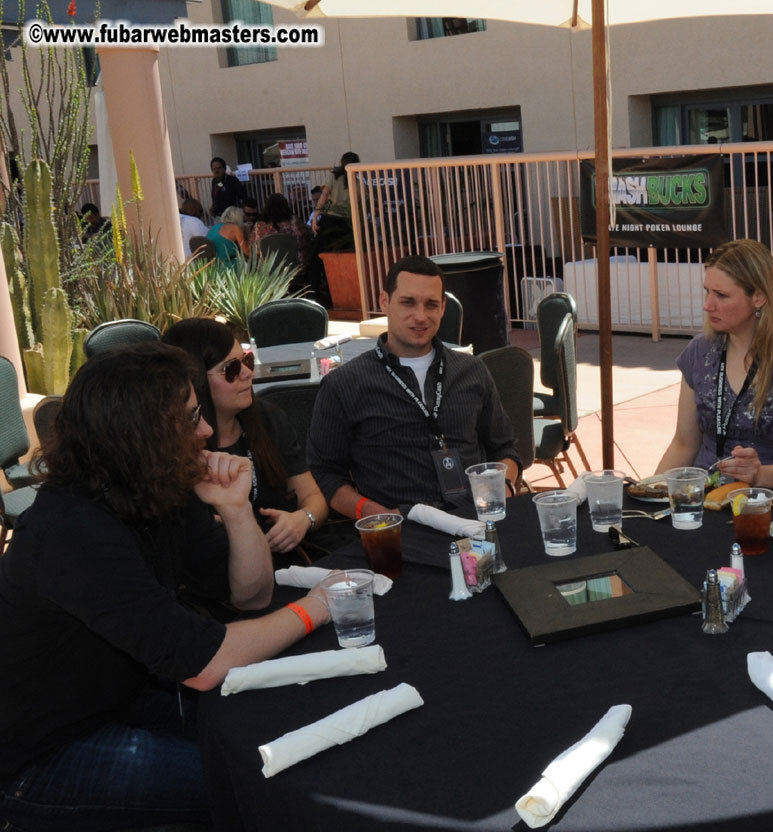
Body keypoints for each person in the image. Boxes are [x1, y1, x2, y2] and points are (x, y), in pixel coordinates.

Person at [0, 343, 331, 830]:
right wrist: (316, 607)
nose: (206, 431)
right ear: (143, 436)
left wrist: (236, 509)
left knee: (281, 722)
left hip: (117, 700)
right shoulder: (73, 531)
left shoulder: (153, 489)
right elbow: (204, 664)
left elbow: (252, 597)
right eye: (190, 420)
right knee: (262, 782)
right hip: (38, 755)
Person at [307, 254, 520, 522]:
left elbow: (505, 449)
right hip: (401, 529)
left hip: (475, 519)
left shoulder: (472, 371)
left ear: (443, 308)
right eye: (408, 302)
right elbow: (325, 472)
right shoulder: (345, 384)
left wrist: (506, 489)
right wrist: (376, 516)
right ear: (385, 302)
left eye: (431, 305)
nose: (420, 316)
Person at [655, 238, 773, 487]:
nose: (708, 305)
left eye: (721, 295)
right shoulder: (700, 351)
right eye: (707, 291)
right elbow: (683, 444)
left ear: (758, 297)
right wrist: (651, 491)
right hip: (704, 498)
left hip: (772, 502)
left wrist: (759, 474)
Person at [164, 318, 328, 561]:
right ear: (193, 379)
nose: (248, 373)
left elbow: (314, 499)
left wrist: (302, 520)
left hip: (293, 562)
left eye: (247, 360)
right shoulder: (175, 448)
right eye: (231, 368)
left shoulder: (267, 419)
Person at [312, 151, 359, 252]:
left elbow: (324, 195)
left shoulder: (334, 177)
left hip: (330, 219)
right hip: (347, 222)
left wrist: (316, 215)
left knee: (321, 251)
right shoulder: (357, 182)